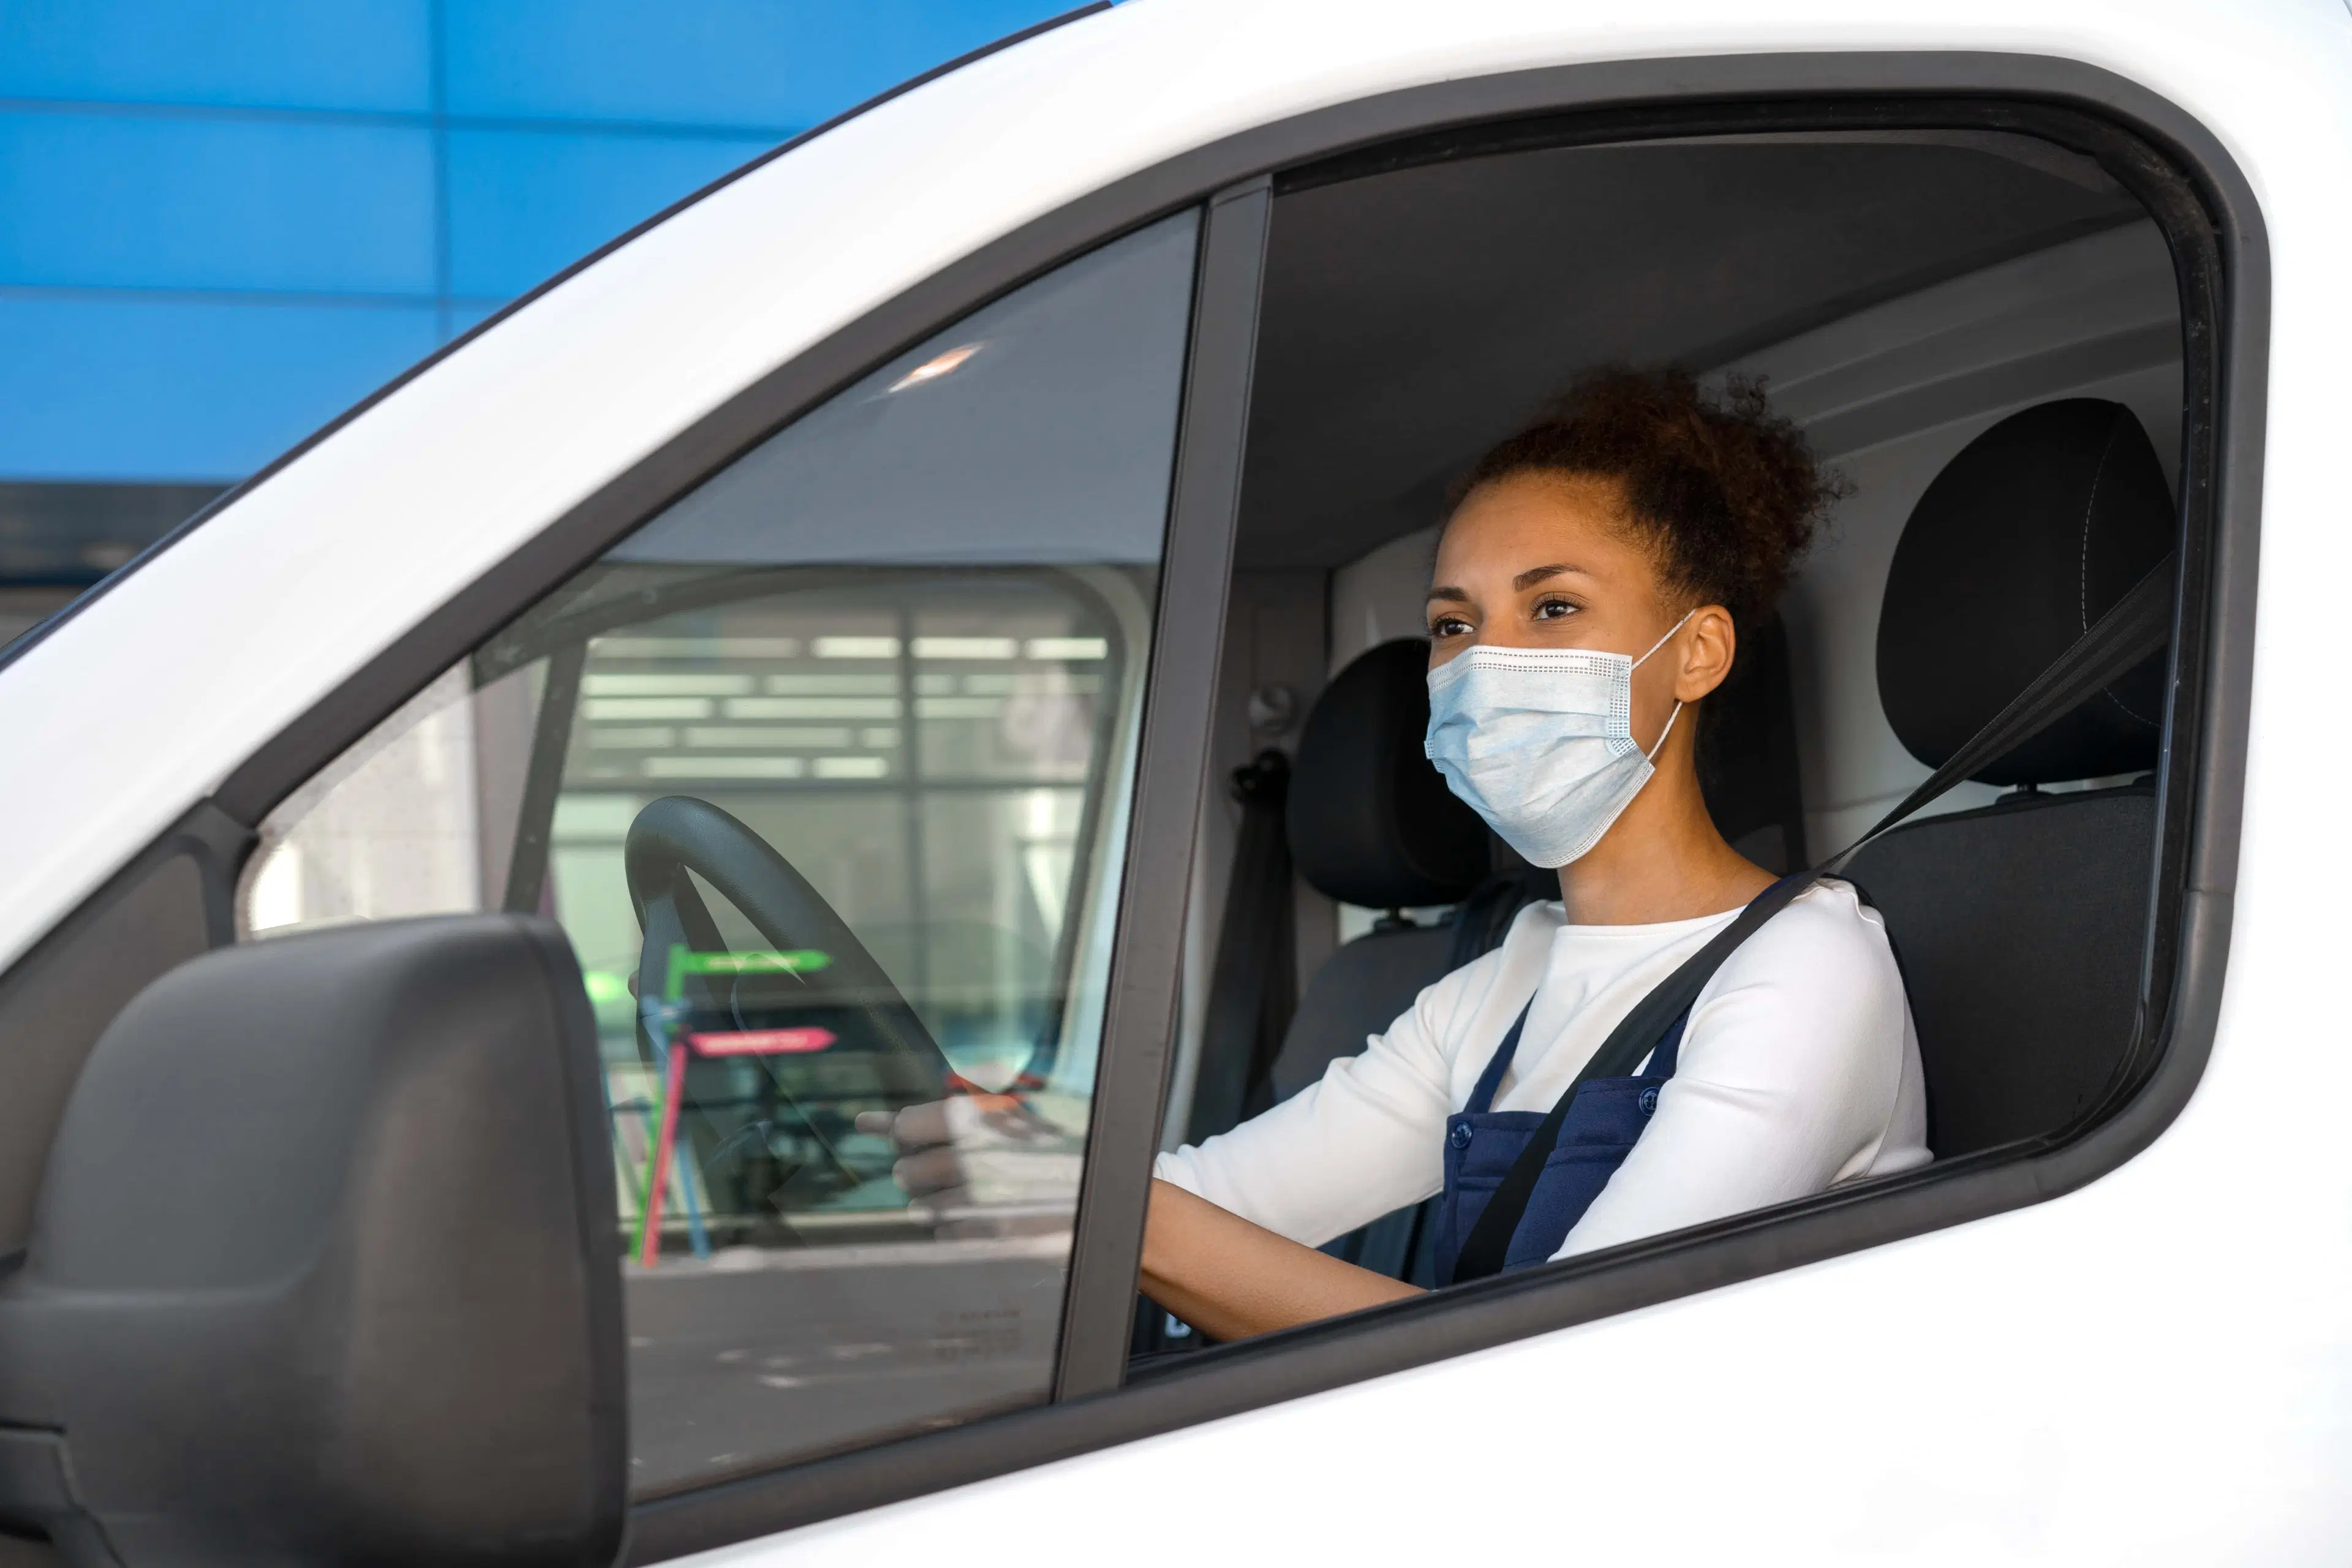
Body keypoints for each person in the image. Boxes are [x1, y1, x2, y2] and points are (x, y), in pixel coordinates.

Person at [1139, 367, 1930, 1342]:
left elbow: (1566, 1355)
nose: (1484, 665)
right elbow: (1208, 1203)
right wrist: (1013, 1167)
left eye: (1553, 608)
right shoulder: (1503, 980)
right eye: (1453, 625)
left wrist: (1107, 1219)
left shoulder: (1806, 969)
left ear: (1699, 653)